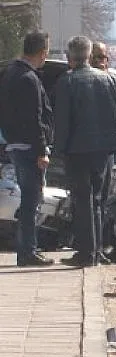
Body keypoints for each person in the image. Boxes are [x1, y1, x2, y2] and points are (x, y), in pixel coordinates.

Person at [55, 36, 116, 267]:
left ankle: (87, 253)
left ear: (70, 57)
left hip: (77, 151)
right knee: (98, 201)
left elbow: (62, 122)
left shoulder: (67, 82)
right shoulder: (109, 79)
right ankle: (96, 252)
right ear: (89, 56)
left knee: (82, 201)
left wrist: (58, 152)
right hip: (105, 151)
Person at [0, 31, 54, 266]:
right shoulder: (29, 79)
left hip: (13, 143)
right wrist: (42, 150)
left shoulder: (9, 73)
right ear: (42, 53)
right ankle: (27, 251)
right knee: (33, 198)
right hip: (29, 147)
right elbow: (36, 118)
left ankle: (26, 247)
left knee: (29, 198)